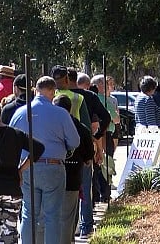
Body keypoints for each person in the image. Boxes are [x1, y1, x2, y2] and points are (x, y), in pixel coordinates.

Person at [10, 76, 80, 244]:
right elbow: (75, 142)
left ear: (36, 90)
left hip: (27, 167)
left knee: (29, 213)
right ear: (52, 91)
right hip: (53, 167)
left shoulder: (20, 113)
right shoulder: (61, 114)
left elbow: (11, 139)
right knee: (52, 215)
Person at [0, 98, 45, 244]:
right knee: (9, 230)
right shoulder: (16, 134)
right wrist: (21, 168)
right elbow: (39, 148)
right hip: (12, 188)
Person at [70, 70, 111, 238]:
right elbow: (106, 118)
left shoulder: (58, 95)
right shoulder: (89, 97)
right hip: (86, 144)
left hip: (65, 148)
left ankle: (71, 227)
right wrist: (97, 137)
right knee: (86, 187)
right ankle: (86, 225)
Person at [52, 94, 94, 244]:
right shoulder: (81, 128)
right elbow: (89, 156)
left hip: (52, 176)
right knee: (68, 217)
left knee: (50, 215)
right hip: (73, 176)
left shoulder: (49, 126)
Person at [90, 74, 120, 203]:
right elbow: (116, 119)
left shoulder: (94, 98)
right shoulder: (104, 100)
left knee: (96, 167)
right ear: (100, 85)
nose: (110, 87)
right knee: (105, 165)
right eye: (107, 84)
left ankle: (97, 195)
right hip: (105, 134)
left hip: (97, 135)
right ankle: (105, 194)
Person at [50, 65, 91, 130]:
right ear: (67, 79)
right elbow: (86, 123)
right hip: (75, 133)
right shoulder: (78, 97)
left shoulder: (49, 97)